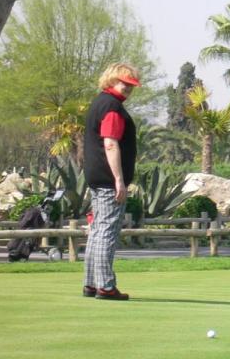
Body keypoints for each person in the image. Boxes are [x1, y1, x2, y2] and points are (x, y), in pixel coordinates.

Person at [82, 63, 141, 301]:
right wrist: (119, 180)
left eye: (131, 85)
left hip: (96, 176)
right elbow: (110, 142)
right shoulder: (112, 107)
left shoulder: (99, 102)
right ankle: (105, 286)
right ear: (111, 80)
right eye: (124, 83)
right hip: (108, 178)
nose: (127, 88)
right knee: (107, 231)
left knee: (97, 230)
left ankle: (91, 283)